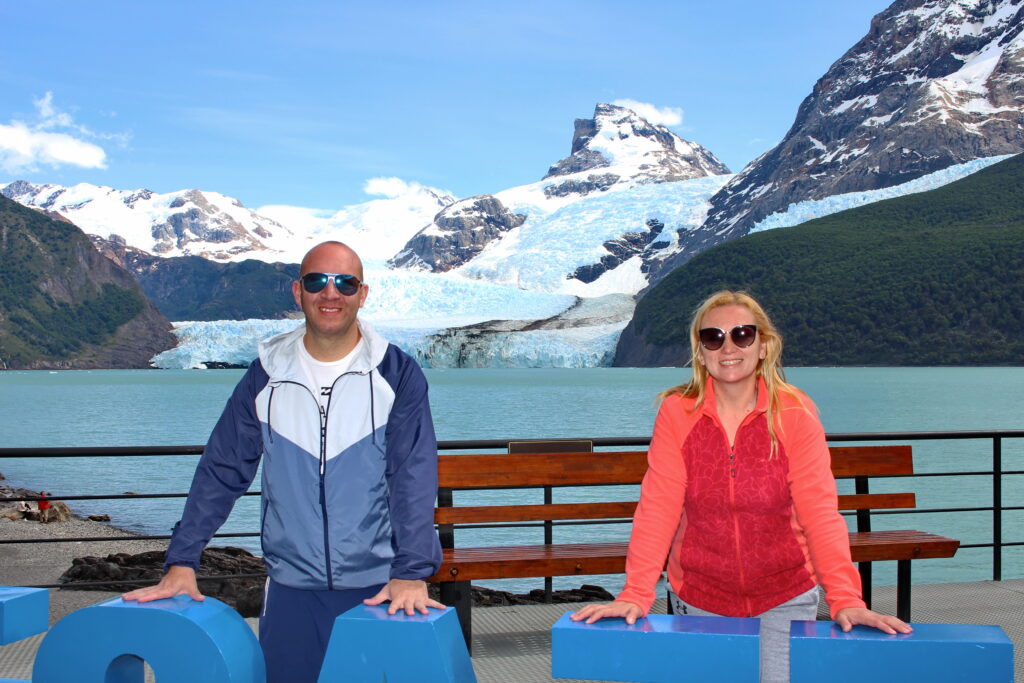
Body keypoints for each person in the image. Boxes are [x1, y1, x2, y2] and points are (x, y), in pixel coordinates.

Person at [123, 241, 443, 682]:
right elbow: (222, 469)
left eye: (345, 283)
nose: (331, 293)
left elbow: (413, 474)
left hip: (382, 586)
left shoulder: (396, 374)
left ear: (362, 294)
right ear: (298, 291)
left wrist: (411, 571)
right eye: (317, 281)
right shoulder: (265, 376)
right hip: (292, 591)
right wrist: (183, 560)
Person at [572, 290, 910, 682]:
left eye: (742, 334)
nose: (728, 346)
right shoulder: (678, 413)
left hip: (784, 594)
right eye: (713, 337)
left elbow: (819, 514)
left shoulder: (795, 414)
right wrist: (635, 593)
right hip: (699, 595)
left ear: (763, 345)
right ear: (700, 352)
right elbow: (658, 508)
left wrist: (846, 599)